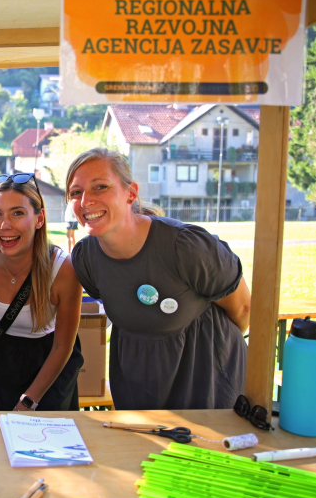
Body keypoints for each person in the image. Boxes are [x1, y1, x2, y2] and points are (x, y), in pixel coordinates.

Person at [66, 148, 251, 410]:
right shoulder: (86, 258)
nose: (86, 201)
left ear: (131, 193)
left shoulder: (187, 247)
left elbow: (243, 309)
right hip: (138, 395)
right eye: (76, 192)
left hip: (208, 390)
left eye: (100, 187)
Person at [0, 173, 84, 412]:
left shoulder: (64, 269)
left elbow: (63, 346)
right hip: (0, 358)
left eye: (17, 213)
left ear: (39, 219)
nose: (4, 225)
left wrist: (29, 401)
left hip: (50, 365)